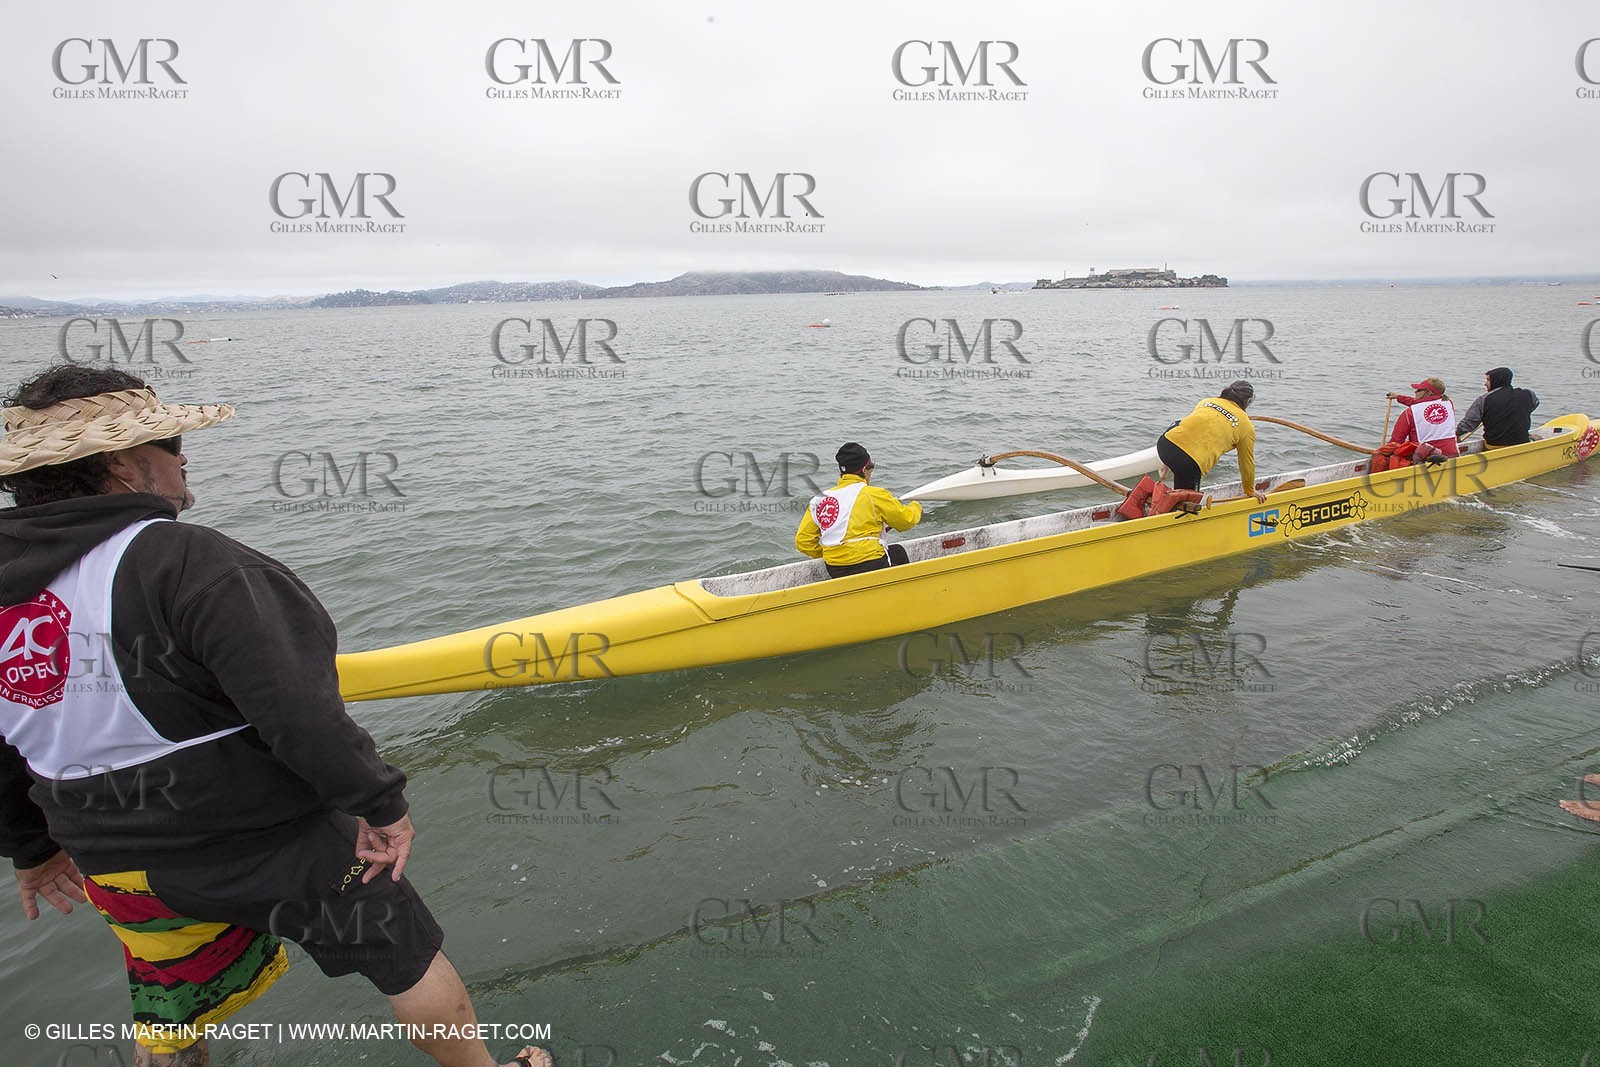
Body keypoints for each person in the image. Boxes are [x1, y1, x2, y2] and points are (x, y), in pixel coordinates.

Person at [0, 366, 547, 1067]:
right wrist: (380, 804)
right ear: (123, 463)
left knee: (172, 1001)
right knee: (402, 950)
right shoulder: (185, 561)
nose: (183, 455)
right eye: (169, 440)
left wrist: (32, 847)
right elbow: (298, 710)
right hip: (259, 836)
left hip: (113, 856)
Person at [1119, 382, 1267, 519]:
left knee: (1180, 434)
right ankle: (1158, 518)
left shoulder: (1207, 402)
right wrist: (1249, 490)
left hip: (1165, 443)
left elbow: (1187, 429)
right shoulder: (1246, 426)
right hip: (1189, 462)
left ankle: (1140, 499)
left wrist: (1166, 462)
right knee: (1187, 503)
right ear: (1248, 402)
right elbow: (1246, 463)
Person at [796, 442, 923, 578]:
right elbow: (906, 521)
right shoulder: (874, 494)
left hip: (835, 569)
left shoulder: (819, 500)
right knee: (898, 553)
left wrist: (830, 553)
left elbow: (803, 541)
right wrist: (916, 507)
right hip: (871, 563)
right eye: (870, 470)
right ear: (864, 470)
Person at [1454, 366, 1539, 447]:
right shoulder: (1527, 394)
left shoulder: (1484, 400)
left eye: (1488, 380)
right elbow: (1535, 404)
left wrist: (1456, 434)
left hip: (1494, 445)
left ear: (1496, 381)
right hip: (1521, 442)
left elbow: (1469, 423)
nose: (1485, 383)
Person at [1386, 377, 1460, 464]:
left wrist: (1385, 454)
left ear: (1429, 392)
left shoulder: (1409, 413)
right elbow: (1422, 403)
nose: (1415, 392)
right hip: (1452, 456)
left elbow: (1396, 442)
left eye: (1419, 390)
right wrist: (1398, 397)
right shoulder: (1448, 403)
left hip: (1424, 460)